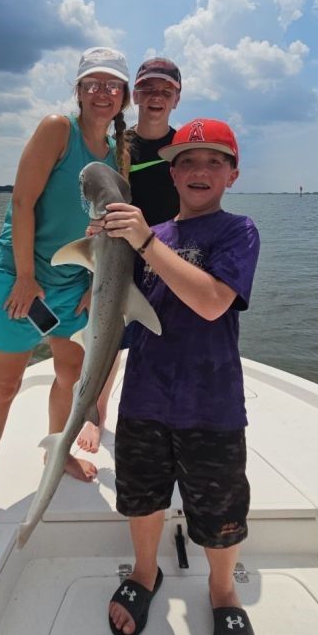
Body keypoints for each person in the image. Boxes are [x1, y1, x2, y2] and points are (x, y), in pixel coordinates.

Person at [0, 47, 131, 549]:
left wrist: (95, 286)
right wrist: (26, 279)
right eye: (93, 84)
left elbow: (108, 232)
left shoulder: (119, 153)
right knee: (2, 389)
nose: (103, 93)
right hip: (23, 276)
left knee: (70, 375)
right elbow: (21, 200)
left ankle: (56, 451)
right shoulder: (59, 129)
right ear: (78, 91)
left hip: (74, 280)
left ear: (123, 98)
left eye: (113, 85)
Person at [103, 118, 260, 635]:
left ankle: (222, 592)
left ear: (233, 175)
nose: (200, 170)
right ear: (171, 173)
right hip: (144, 396)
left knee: (218, 512)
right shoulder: (148, 236)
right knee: (142, 499)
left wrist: (144, 240)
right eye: (187, 161)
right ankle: (145, 572)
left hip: (210, 404)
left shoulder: (238, 231)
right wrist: (101, 257)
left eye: (215, 161)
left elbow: (213, 302)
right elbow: (121, 314)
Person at [76, 57, 181, 454]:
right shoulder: (118, 145)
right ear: (134, 95)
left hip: (169, 253)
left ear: (177, 98)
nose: (156, 97)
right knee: (111, 338)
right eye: (148, 89)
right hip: (121, 256)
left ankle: (165, 411)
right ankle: (97, 413)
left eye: (165, 91)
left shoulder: (182, 145)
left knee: (167, 338)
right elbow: (96, 205)